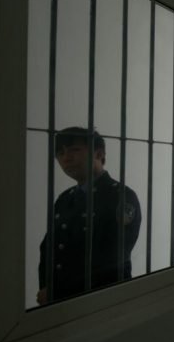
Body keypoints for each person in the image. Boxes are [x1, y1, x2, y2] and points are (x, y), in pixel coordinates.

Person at [37, 127, 141, 305]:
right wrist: (47, 287)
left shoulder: (121, 196)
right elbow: (49, 248)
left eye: (74, 150)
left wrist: (59, 292)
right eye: (60, 153)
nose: (66, 158)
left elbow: (112, 257)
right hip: (61, 303)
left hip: (103, 301)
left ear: (99, 154)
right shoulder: (64, 198)